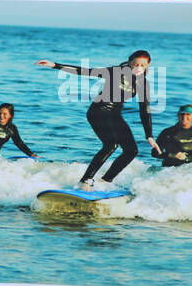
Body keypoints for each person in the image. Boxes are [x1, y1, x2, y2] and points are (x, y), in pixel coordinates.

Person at [35, 50, 157, 189]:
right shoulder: (116, 71)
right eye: (135, 64)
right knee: (111, 145)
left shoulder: (143, 83)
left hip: (115, 115)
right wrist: (55, 65)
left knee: (131, 151)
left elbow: (144, 110)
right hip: (98, 111)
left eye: (142, 65)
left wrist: (149, 135)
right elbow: (84, 71)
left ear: (148, 65)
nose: (138, 67)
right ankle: (86, 181)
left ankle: (106, 181)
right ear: (129, 62)